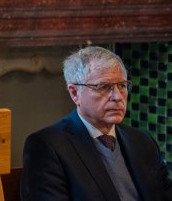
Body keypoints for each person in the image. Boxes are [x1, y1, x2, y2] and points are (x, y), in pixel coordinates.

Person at [21, 46, 172, 201]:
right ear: (74, 93)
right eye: (103, 87)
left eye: (122, 86)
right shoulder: (47, 146)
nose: (117, 97)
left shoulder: (142, 141)